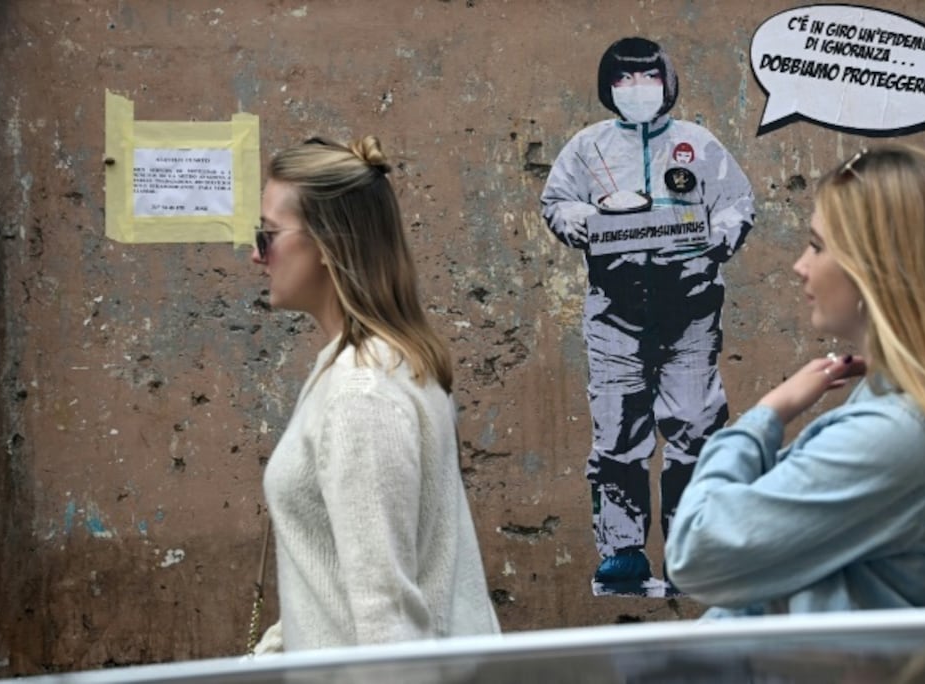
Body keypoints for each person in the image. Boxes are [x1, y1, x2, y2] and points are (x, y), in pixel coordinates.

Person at [665, 144, 925, 615]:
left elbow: (697, 552)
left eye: (818, 246)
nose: (801, 265)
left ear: (878, 270)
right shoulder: (901, 412)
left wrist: (766, 415)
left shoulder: (889, 438)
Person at [249, 135, 500, 651]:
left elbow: (386, 615)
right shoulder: (364, 368)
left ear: (327, 242)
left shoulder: (361, 393)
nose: (256, 254)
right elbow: (330, 576)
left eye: (268, 234)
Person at [540, 37, 755, 591]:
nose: (637, 91)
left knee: (695, 428)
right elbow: (556, 203)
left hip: (689, 308)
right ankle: (623, 552)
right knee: (617, 434)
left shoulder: (698, 144)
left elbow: (736, 202)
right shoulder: (587, 148)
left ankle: (689, 550)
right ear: (609, 87)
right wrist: (586, 220)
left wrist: (716, 240)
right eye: (624, 80)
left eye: (647, 79)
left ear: (667, 82)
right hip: (616, 311)